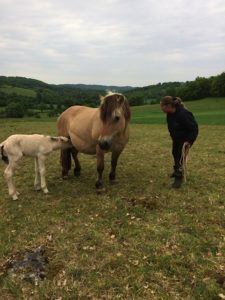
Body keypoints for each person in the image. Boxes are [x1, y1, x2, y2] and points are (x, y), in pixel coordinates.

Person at [160, 96, 198, 188]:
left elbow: (194, 129)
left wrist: (189, 141)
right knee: (174, 153)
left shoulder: (183, 114)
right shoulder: (170, 113)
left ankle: (178, 179)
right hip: (176, 139)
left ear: (168, 105)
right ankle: (176, 170)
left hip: (185, 139)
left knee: (179, 158)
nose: (161, 108)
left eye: (162, 106)